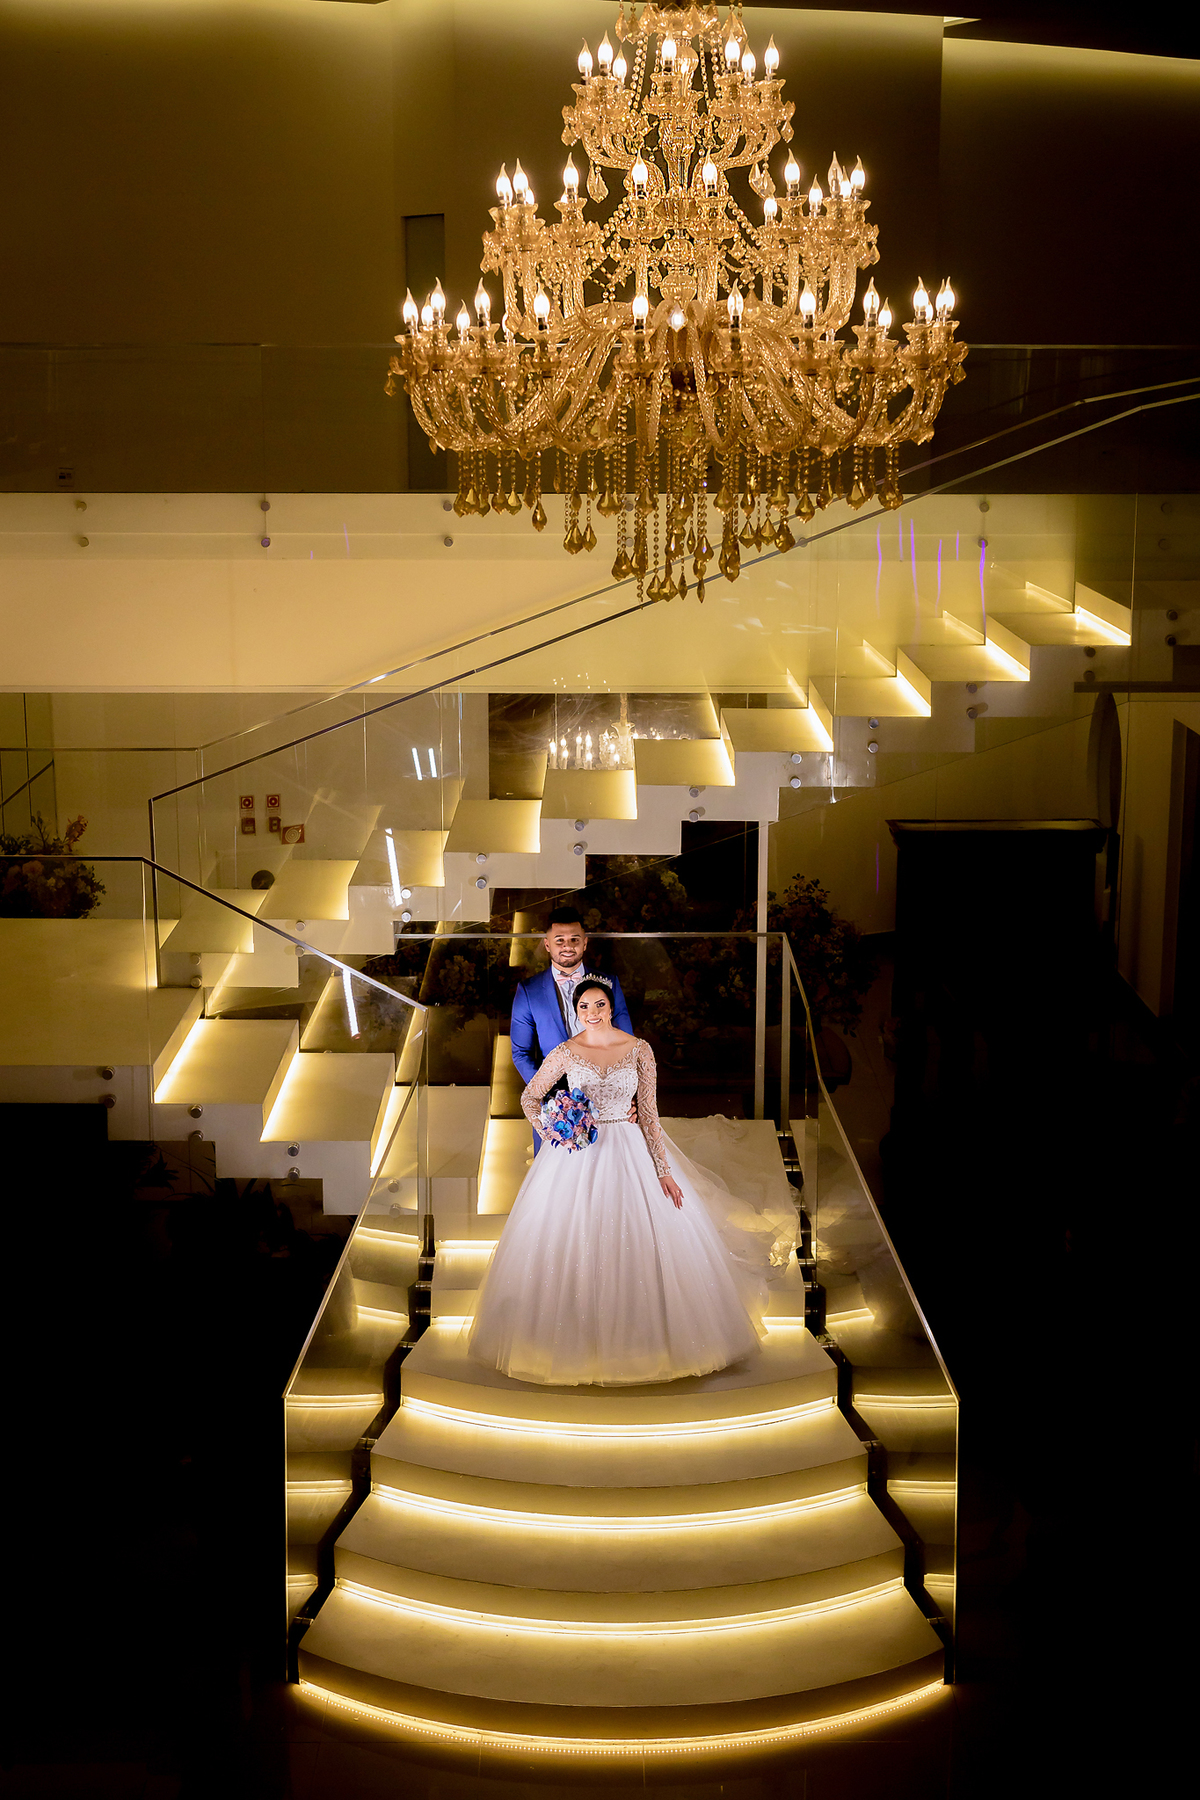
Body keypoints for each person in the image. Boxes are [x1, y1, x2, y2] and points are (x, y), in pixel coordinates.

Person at [468, 977, 796, 1387]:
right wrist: (554, 1130)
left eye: (599, 1004)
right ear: (576, 1012)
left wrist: (663, 1171)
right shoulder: (565, 1052)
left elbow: (650, 1115)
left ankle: (652, 1344)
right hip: (578, 1154)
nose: (592, 1012)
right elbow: (529, 1097)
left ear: (611, 1007)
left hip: (630, 1149)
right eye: (584, 1006)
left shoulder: (639, 1049)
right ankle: (570, 1346)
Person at [509, 906, 633, 1149]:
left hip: (608, 1097)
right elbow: (521, 1053)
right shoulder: (529, 991)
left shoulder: (609, 983)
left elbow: (627, 1044)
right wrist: (552, 1095)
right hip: (556, 1106)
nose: (568, 946)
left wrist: (628, 1093)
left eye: (574, 939)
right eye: (560, 940)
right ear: (547, 945)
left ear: (585, 943)